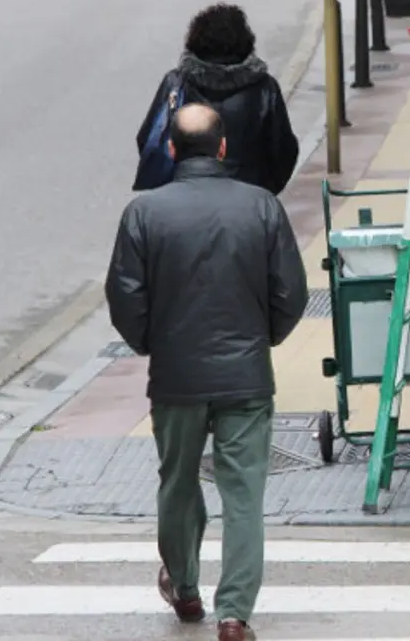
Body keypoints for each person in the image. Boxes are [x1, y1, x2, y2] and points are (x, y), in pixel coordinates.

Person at [106, 103, 308, 641]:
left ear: (172, 149)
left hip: (176, 376)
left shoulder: (144, 213)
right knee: (243, 494)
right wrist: (262, 339)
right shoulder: (260, 206)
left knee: (177, 481)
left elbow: (125, 296)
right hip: (245, 375)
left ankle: (185, 586)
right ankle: (235, 612)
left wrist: (153, 343)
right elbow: (290, 293)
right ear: (222, 147)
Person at [136, 2, 300, 195]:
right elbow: (284, 151)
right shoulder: (264, 88)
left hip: (185, 194)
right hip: (246, 197)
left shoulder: (177, 83)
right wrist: (262, 192)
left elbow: (149, 139)